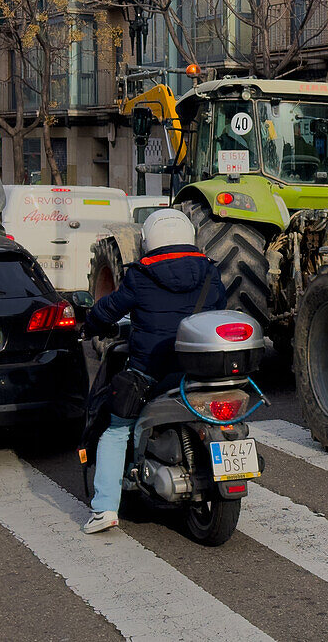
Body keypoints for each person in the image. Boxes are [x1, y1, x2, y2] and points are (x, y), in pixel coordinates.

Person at [79, 209, 226, 534]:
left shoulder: (141, 275)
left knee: (116, 430)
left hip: (151, 374)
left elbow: (109, 309)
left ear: (148, 242)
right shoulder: (209, 272)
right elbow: (220, 307)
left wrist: (90, 325)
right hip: (199, 372)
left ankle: (104, 509)